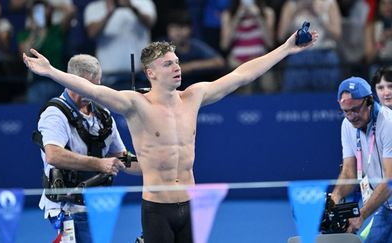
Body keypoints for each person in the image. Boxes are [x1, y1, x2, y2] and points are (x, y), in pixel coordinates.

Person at [23, 30, 318, 243]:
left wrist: (286, 48)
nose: (176, 67)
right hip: (157, 209)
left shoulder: (194, 96)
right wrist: (51, 72)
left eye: (176, 62)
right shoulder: (135, 105)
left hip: (190, 205)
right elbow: (93, 90)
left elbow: (242, 75)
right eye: (168, 64)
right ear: (150, 73)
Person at [36, 54, 141, 243]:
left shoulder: (103, 115)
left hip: (96, 202)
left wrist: (154, 168)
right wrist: (99, 164)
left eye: (96, 86)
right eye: (86, 86)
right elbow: (53, 155)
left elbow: (122, 157)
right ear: (71, 82)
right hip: (66, 205)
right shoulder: (54, 114)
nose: (91, 92)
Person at [331, 77, 392, 242]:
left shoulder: (388, 124)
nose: (350, 116)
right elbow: (349, 172)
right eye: (345, 111)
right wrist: (334, 198)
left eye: (355, 109)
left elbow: (390, 181)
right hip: (386, 206)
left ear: (369, 102)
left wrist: (362, 215)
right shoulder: (347, 125)